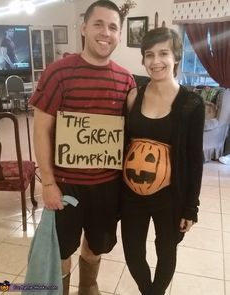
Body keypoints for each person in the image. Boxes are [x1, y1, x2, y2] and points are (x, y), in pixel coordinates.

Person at [29, 1, 135, 295]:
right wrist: (47, 183)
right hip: (65, 186)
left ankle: (88, 287)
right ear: (84, 27)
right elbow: (41, 130)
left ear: (120, 34)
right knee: (62, 249)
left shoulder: (126, 80)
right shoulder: (58, 73)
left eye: (113, 27)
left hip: (107, 187)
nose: (105, 32)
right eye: (98, 24)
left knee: (96, 245)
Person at [121, 27, 205, 295]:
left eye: (163, 53)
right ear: (143, 59)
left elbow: (194, 160)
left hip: (170, 195)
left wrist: (191, 207)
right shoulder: (134, 96)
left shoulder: (191, 103)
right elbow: (123, 146)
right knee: (133, 252)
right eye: (149, 55)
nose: (155, 61)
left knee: (165, 250)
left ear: (176, 57)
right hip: (131, 193)